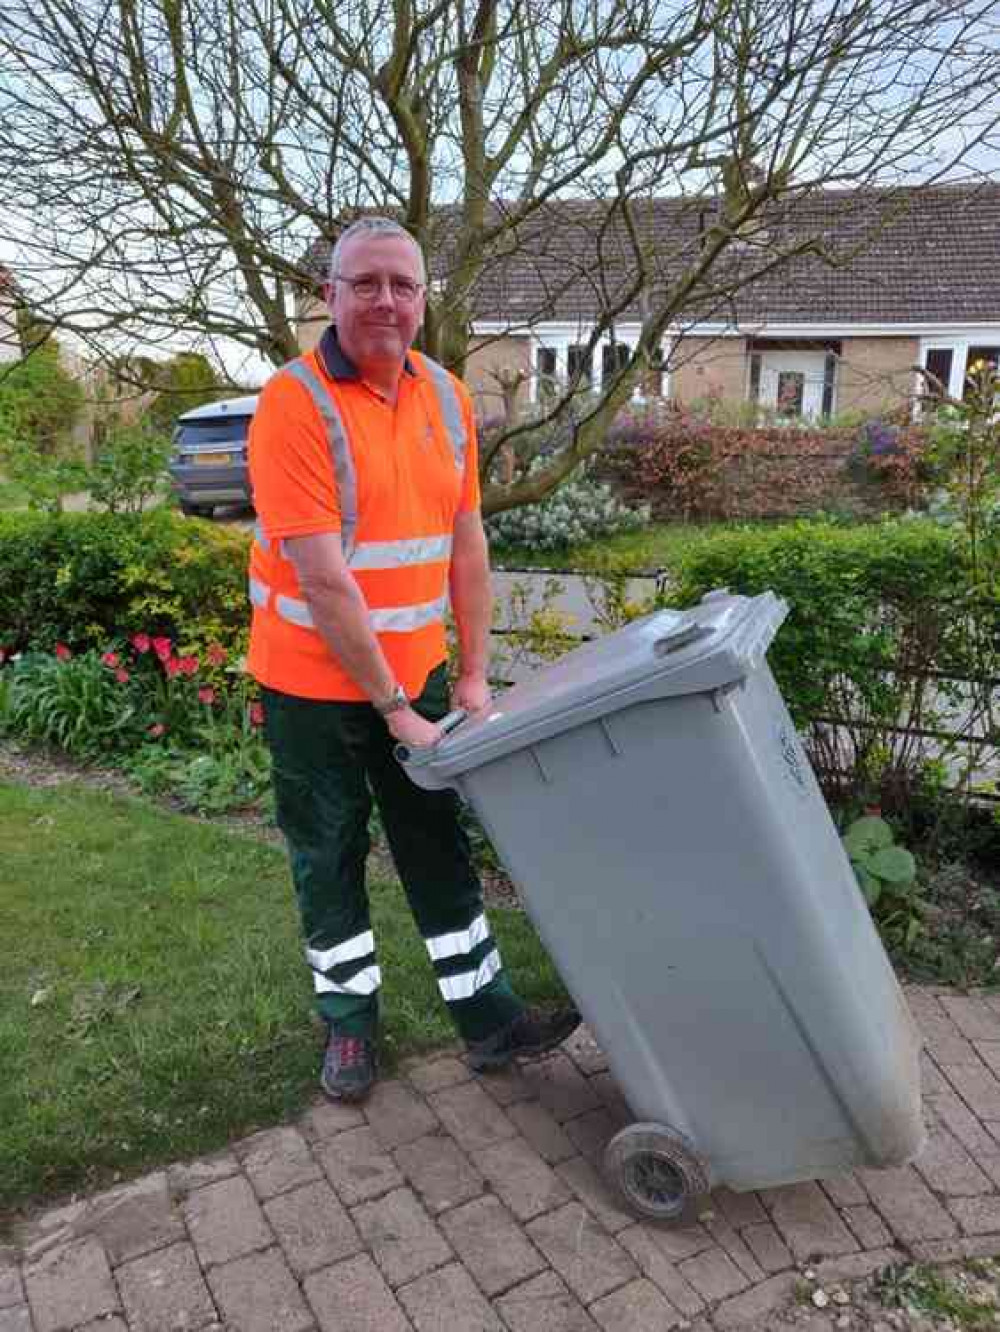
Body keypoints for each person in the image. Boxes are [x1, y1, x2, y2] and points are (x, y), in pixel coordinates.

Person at [246, 216, 579, 1101]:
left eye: (403, 284)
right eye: (366, 283)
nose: (386, 301)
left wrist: (470, 676)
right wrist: (394, 705)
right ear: (330, 294)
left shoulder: (446, 396)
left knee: (436, 842)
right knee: (329, 852)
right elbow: (322, 579)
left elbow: (466, 539)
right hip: (313, 689)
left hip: (419, 679)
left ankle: (490, 1018)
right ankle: (350, 1028)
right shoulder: (293, 403)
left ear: (424, 298)